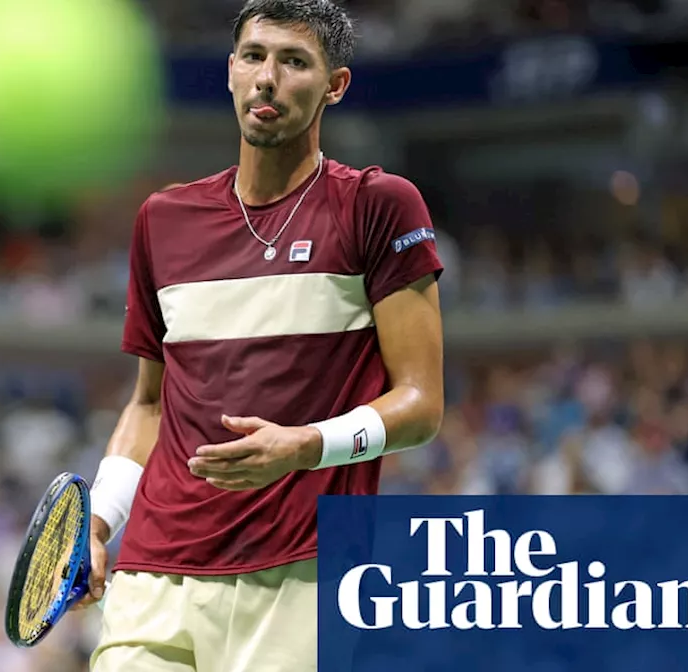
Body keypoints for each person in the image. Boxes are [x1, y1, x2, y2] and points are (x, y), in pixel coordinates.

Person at [73, 1, 446, 669]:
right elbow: (150, 404)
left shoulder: (378, 206)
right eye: (253, 56)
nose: (267, 78)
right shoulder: (165, 219)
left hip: (302, 575)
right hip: (155, 574)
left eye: (294, 61)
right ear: (230, 71)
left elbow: (420, 404)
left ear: (335, 86)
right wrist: (98, 524)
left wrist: (305, 446)